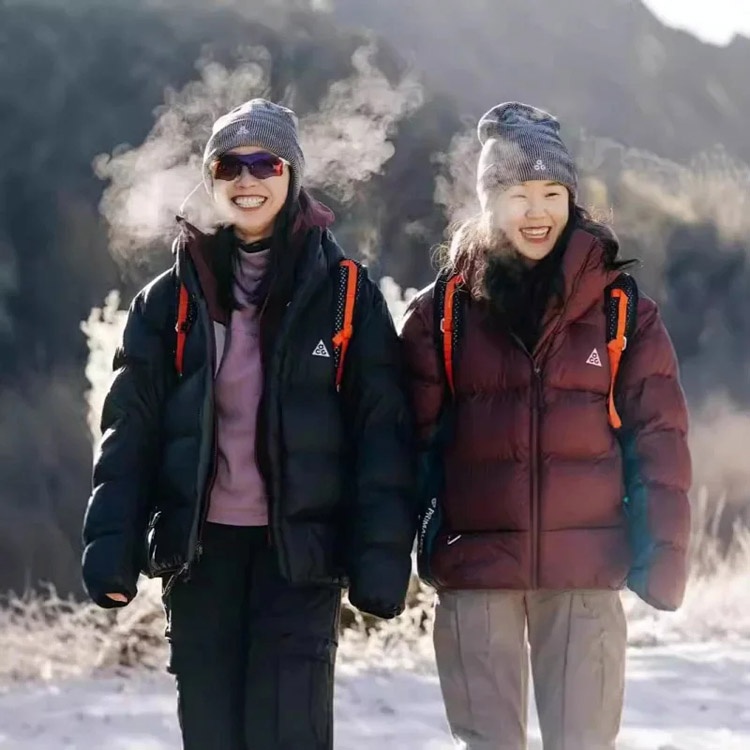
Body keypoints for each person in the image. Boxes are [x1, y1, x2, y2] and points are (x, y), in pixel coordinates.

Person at [81, 98, 416, 750]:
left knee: (288, 734)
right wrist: (111, 553)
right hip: (201, 559)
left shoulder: (345, 295)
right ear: (211, 179)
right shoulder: (169, 300)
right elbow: (129, 433)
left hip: (300, 560)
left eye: (265, 163)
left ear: (292, 174)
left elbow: (383, 434)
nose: (247, 179)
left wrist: (380, 562)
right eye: (228, 166)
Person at [401, 102, 691, 750]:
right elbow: (405, 447)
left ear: (571, 198)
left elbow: (659, 440)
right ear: (489, 202)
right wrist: (390, 554)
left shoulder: (621, 310)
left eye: (551, 193)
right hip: (475, 570)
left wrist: (662, 558)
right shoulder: (442, 314)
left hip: (587, 572)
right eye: (518, 194)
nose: (537, 212)